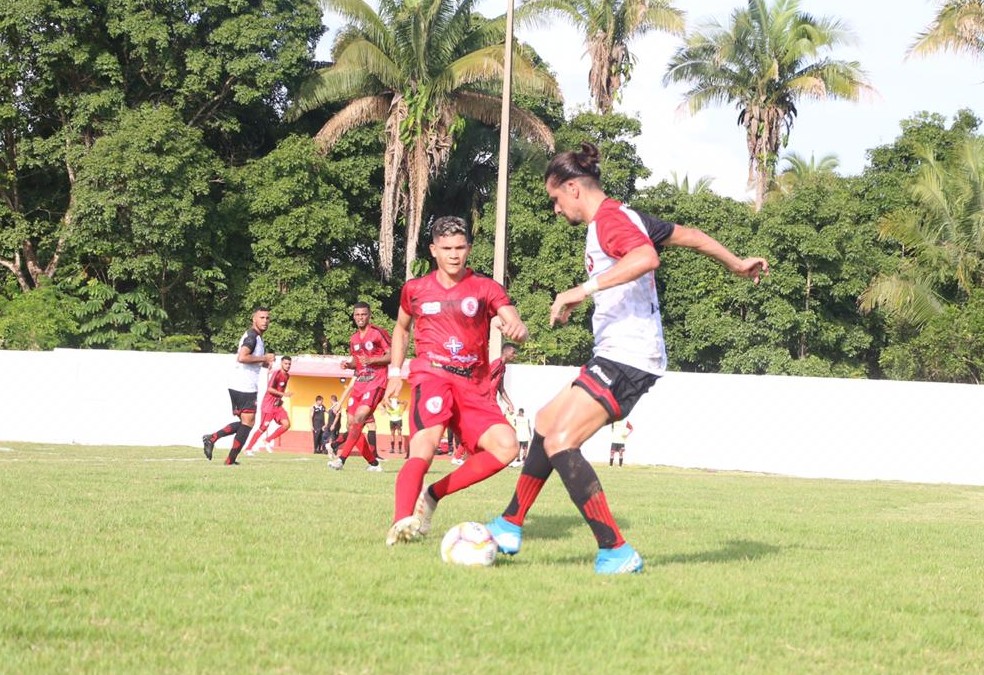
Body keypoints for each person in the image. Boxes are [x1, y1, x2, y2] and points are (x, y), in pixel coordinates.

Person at [486, 142, 769, 574]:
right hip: (620, 352)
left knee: (562, 441)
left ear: (574, 189)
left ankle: (615, 549)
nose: (557, 210)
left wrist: (582, 290)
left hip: (630, 356)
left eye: (555, 200)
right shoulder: (629, 216)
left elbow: (645, 257)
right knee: (545, 423)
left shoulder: (609, 222)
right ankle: (510, 523)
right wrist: (735, 263)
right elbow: (687, 236)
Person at [384, 216, 529, 546]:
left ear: (469, 249)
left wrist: (517, 328)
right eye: (446, 248)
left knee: (506, 446)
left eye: (460, 248)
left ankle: (433, 495)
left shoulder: (485, 288)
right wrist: (395, 372)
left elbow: (512, 319)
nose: (454, 255)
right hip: (432, 375)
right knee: (425, 445)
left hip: (474, 385)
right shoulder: (415, 290)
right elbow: (402, 329)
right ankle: (401, 522)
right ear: (434, 250)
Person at [202, 307, 276, 465]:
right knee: (248, 423)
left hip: (239, 383)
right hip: (244, 385)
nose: (265, 321)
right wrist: (265, 357)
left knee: (246, 423)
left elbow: (251, 361)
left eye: (267, 318)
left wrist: (264, 364)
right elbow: (242, 357)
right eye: (261, 317)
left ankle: (214, 440)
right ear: (254, 319)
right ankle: (226, 454)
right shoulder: (252, 336)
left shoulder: (257, 338)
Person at [328, 303, 391, 472]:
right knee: (351, 425)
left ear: (369, 315)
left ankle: (341, 459)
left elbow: (391, 355)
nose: (360, 317)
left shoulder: (377, 333)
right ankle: (374, 464)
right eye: (357, 315)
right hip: (360, 384)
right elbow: (357, 361)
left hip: (376, 382)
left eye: (363, 314)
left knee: (359, 418)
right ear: (354, 316)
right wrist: (349, 365)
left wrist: (372, 361)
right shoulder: (354, 338)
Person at [244, 355, 293, 455]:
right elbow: (270, 389)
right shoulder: (277, 373)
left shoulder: (287, 376)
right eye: (286, 363)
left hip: (277, 405)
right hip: (268, 405)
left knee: (286, 424)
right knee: (263, 428)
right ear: (281, 364)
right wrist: (284, 395)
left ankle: (267, 440)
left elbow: (280, 389)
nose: (288, 366)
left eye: (289, 364)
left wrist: (280, 399)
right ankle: (248, 448)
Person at [489, 342, 518, 414]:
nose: (515, 355)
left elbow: (501, 388)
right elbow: (484, 379)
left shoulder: (503, 367)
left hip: (492, 401)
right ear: (505, 352)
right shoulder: (497, 363)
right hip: (487, 401)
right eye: (513, 353)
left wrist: (509, 403)